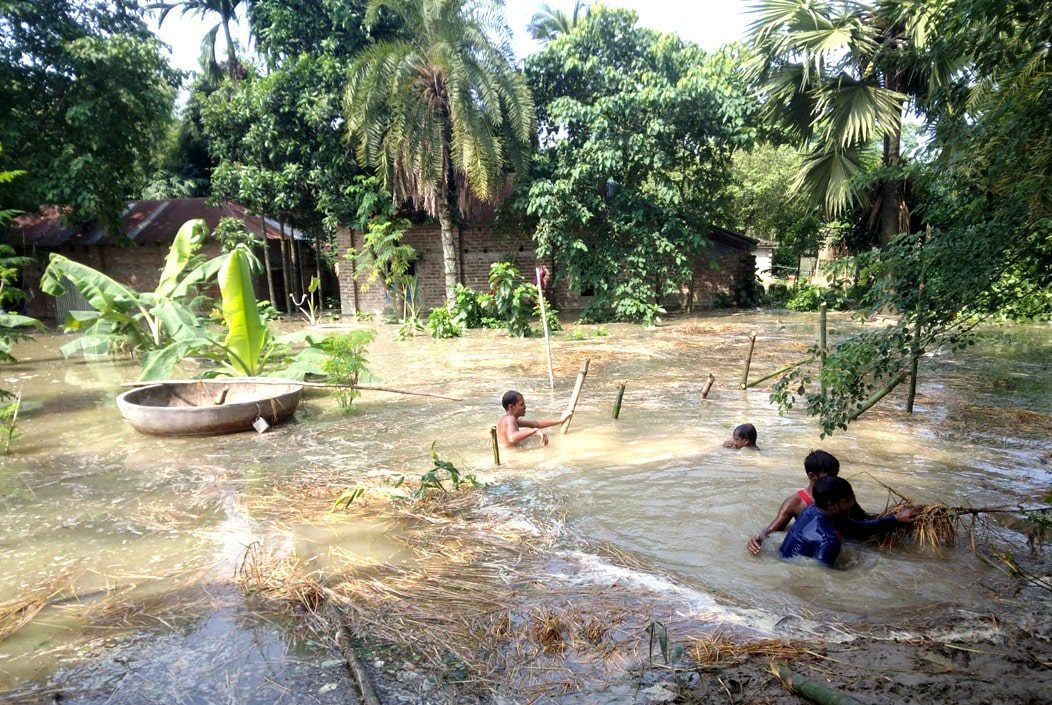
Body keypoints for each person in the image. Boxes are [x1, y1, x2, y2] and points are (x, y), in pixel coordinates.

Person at [747, 450, 870, 555]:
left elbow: (863, 518)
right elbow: (772, 531)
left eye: (836, 475)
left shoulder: (840, 495)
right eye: (830, 476)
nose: (834, 479)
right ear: (812, 476)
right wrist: (758, 538)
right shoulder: (796, 502)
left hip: (839, 543)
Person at [778, 476, 915, 568]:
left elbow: (856, 527)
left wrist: (895, 519)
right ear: (832, 505)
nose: (853, 504)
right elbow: (822, 577)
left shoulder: (812, 510)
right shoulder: (829, 540)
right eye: (848, 501)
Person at [497, 390, 569, 448]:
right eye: (521, 404)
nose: (525, 407)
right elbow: (512, 437)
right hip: (511, 458)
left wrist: (560, 420)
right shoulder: (510, 419)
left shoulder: (505, 418)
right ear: (511, 407)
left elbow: (535, 424)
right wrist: (535, 431)